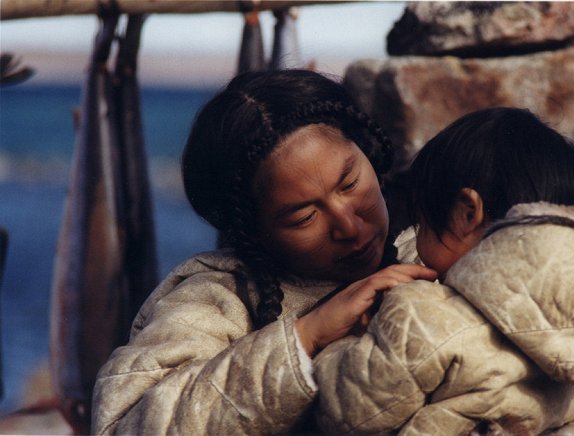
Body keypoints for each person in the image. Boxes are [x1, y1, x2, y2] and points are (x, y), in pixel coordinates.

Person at [91, 69, 437, 435]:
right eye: (304, 217)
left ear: (367, 152)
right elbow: (123, 426)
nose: (348, 226)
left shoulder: (438, 244)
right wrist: (305, 337)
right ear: (255, 232)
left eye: (350, 182)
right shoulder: (216, 301)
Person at [314, 107, 574, 434]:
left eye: (421, 223)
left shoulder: (422, 316)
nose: (416, 237)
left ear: (468, 212)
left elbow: (349, 411)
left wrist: (340, 342)